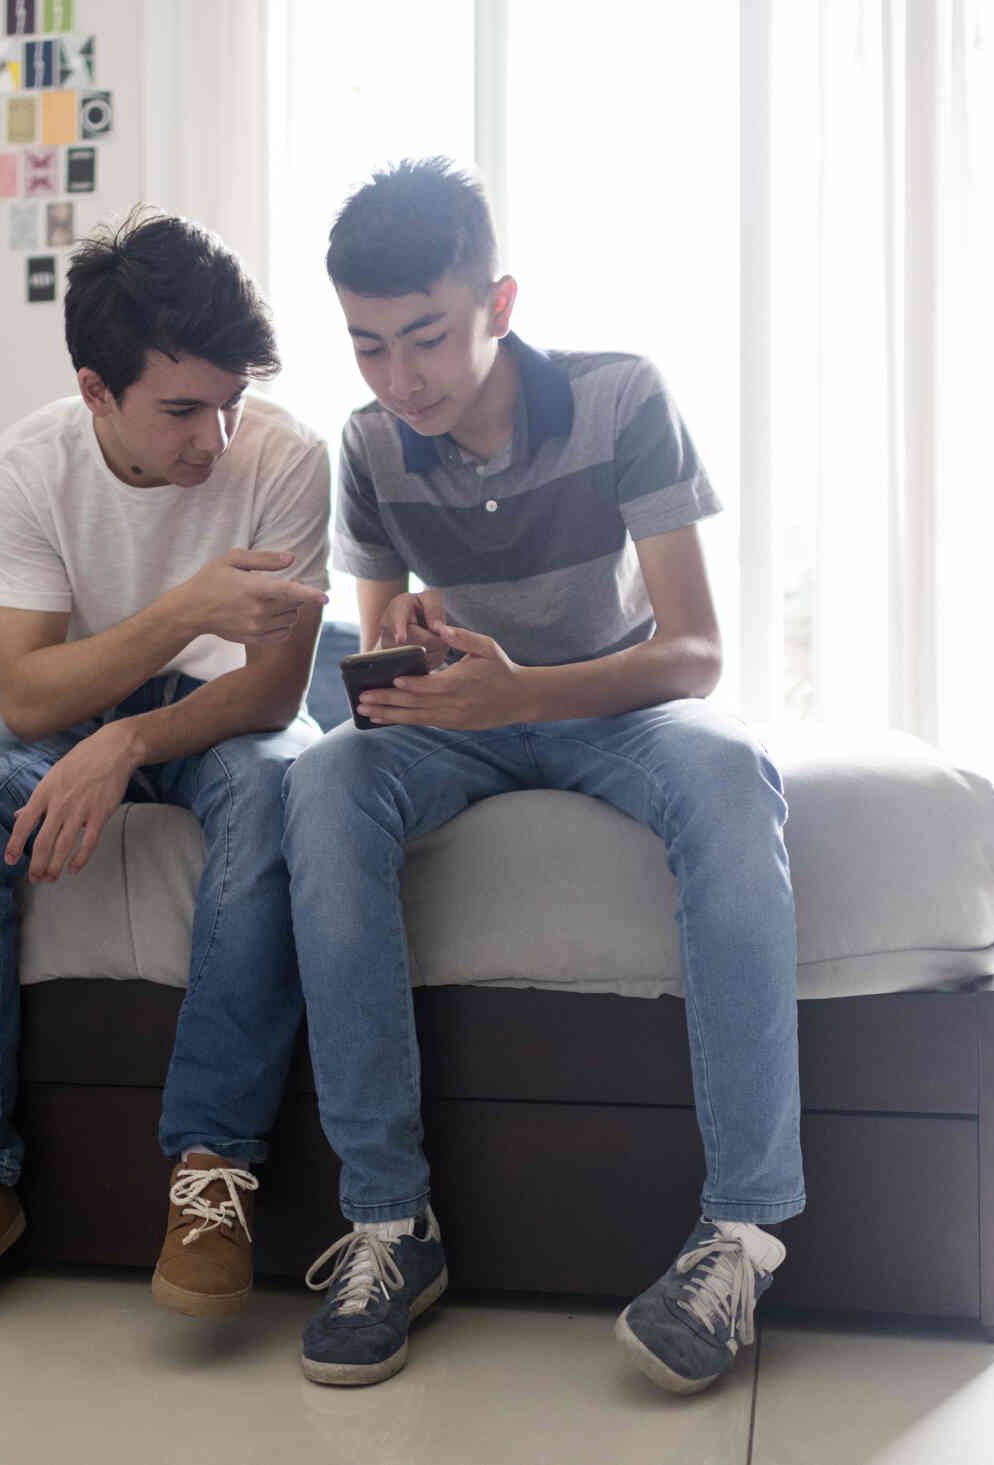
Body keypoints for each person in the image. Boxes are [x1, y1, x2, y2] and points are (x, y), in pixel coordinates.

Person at [283, 158, 804, 1393]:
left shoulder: (622, 399)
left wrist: (526, 689)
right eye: (367, 348)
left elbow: (696, 652)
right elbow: (381, 649)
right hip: (465, 711)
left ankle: (743, 1231)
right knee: (318, 783)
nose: (400, 381)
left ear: (499, 302)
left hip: (608, 702)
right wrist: (410, 641)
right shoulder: (369, 445)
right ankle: (391, 1222)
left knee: (737, 779)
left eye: (427, 338)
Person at [0, 208, 332, 1341]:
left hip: (226, 715)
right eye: (181, 410)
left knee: (280, 792)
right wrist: (180, 612)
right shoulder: (26, 470)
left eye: (227, 402)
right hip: (74, 701)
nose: (213, 441)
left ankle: (213, 1172)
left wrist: (125, 744)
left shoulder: (287, 459)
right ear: (95, 389)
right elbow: (26, 698)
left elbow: (273, 696)